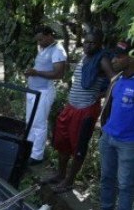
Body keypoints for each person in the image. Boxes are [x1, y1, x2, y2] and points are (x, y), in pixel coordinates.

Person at [45, 30, 115, 193]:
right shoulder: (85, 57)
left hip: (86, 109)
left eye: (93, 43)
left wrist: (103, 94)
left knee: (79, 147)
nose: (88, 45)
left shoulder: (102, 59)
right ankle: (61, 174)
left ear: (99, 45)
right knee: (62, 143)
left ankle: (69, 181)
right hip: (71, 107)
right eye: (86, 42)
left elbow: (115, 79)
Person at [84, 40, 134, 210]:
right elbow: (109, 105)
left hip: (128, 143)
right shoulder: (116, 80)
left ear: (130, 58)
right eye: (113, 56)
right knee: (107, 177)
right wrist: (104, 128)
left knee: (125, 185)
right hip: (109, 138)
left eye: (118, 57)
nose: (113, 60)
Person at [24, 25, 67, 165]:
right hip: (33, 90)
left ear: (49, 36)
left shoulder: (57, 50)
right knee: (30, 122)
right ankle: (27, 149)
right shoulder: (43, 47)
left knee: (39, 124)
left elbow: (59, 74)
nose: (39, 42)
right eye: (37, 40)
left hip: (44, 92)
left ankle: (37, 156)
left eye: (41, 39)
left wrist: (36, 73)